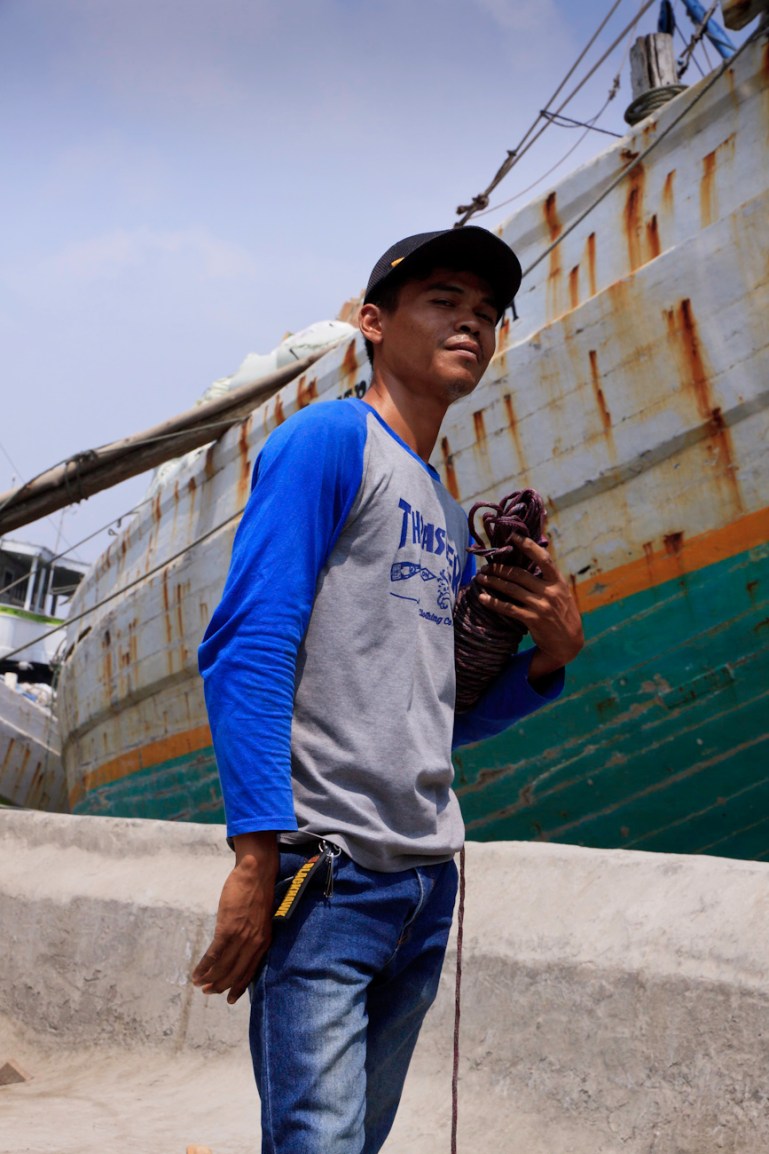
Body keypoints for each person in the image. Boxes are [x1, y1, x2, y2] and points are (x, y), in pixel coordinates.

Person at [192, 226, 583, 1154]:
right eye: (444, 301)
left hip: (422, 884)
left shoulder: (446, 511)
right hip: (326, 878)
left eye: (487, 313)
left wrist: (545, 658)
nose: (473, 324)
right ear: (373, 323)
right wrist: (255, 858)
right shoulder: (329, 441)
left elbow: (426, 718)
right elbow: (244, 647)